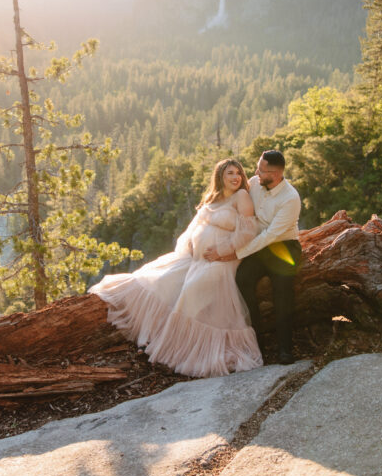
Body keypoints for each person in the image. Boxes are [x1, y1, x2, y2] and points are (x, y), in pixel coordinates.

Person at [89, 158, 262, 378]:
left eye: (238, 173)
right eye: (230, 173)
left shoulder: (242, 197)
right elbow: (196, 225)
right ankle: (157, 339)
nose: (236, 177)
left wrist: (222, 250)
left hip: (223, 260)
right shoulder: (214, 198)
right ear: (220, 176)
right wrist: (190, 244)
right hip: (198, 259)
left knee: (191, 289)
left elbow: (247, 232)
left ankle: (180, 350)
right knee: (161, 279)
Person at [205, 150, 301, 365]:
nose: (256, 172)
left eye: (261, 169)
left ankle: (285, 348)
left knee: (282, 291)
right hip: (258, 246)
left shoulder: (290, 198)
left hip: (283, 246)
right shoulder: (256, 182)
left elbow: (270, 236)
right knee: (242, 279)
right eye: (258, 167)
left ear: (275, 174)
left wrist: (234, 253)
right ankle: (257, 343)